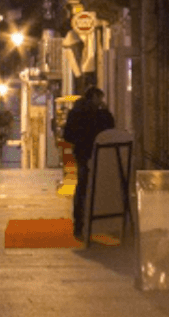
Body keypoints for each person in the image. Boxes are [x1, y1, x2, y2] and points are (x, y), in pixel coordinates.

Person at [62, 86, 115, 239]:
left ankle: (79, 223)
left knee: (82, 187)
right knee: (96, 186)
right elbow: (110, 127)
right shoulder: (98, 113)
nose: (101, 102)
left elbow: (67, 135)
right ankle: (99, 221)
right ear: (93, 97)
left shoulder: (75, 112)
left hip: (82, 154)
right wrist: (105, 110)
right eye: (100, 99)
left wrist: (79, 141)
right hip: (97, 154)